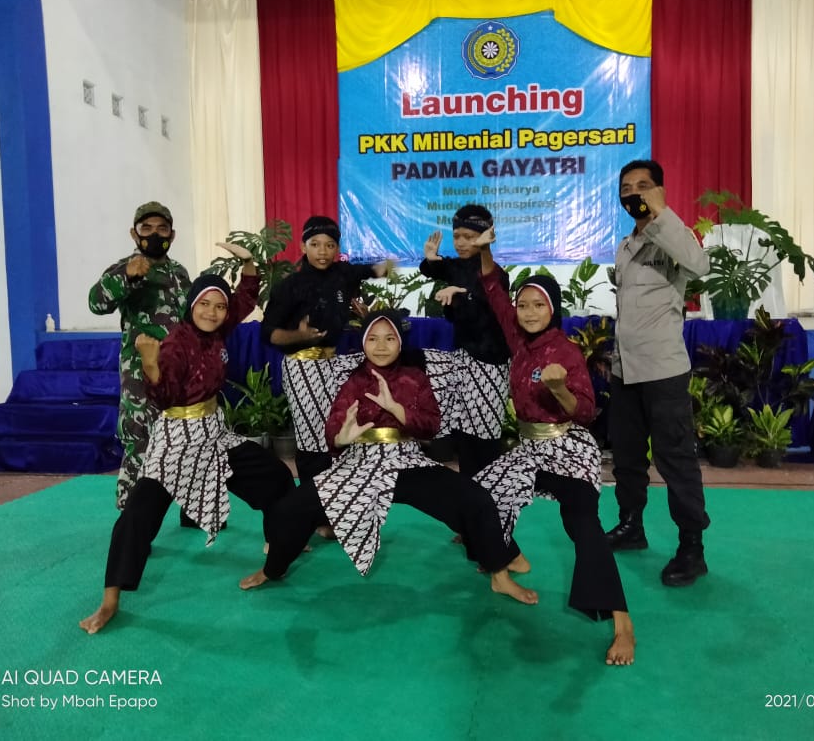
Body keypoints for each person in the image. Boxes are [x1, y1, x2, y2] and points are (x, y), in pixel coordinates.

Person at [238, 310, 536, 607]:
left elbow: (431, 425)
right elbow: (335, 426)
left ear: (400, 342)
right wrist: (342, 438)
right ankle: (272, 569)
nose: (381, 346)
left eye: (389, 338)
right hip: (359, 466)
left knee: (477, 500)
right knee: (291, 508)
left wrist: (398, 410)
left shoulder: (414, 377)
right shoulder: (353, 379)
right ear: (364, 342)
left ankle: (500, 575)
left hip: (408, 463)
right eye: (373, 339)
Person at [79, 247, 295, 634]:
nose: (213, 312)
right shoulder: (177, 343)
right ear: (191, 305)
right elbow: (165, 398)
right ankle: (110, 601)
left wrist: (248, 263)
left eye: (219, 306)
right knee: (137, 515)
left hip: (213, 434)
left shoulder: (219, 329)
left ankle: (276, 555)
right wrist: (150, 364)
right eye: (205, 304)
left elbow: (244, 298)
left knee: (277, 476)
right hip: (176, 441)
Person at [469, 228, 636, 666]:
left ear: (553, 309)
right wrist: (485, 249)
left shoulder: (565, 351)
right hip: (529, 449)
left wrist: (560, 389)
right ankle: (501, 572)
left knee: (582, 524)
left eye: (538, 305)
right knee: (479, 497)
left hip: (567, 449)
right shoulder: (518, 338)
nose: (528, 312)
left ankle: (622, 623)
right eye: (523, 305)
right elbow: (494, 290)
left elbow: (586, 412)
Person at [604, 159, 712, 588]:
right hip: (625, 370)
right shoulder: (625, 246)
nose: (634, 193)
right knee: (627, 456)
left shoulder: (672, 236)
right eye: (627, 187)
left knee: (675, 460)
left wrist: (661, 212)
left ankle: (692, 548)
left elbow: (699, 265)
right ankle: (631, 525)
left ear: (660, 191)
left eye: (643, 186)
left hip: (663, 371)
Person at [260, 216, 388, 502]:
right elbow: (268, 334)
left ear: (336, 249)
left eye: (330, 245)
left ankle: (336, 499)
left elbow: (374, 270)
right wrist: (298, 336)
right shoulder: (289, 286)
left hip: (333, 364)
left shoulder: (342, 274)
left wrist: (387, 268)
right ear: (303, 246)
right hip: (302, 365)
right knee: (312, 438)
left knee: (337, 431)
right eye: (315, 244)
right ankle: (310, 507)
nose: (322, 251)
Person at [88, 201, 191, 510]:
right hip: (140, 372)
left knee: (186, 437)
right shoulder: (125, 268)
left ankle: (193, 508)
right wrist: (127, 276)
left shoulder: (180, 273)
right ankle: (131, 517)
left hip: (178, 371)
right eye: (147, 228)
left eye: (162, 229)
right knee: (140, 440)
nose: (155, 234)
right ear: (135, 234)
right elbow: (96, 303)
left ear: (172, 235)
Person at [418, 204, 512, 478]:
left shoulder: (497, 274)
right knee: (465, 434)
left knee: (485, 436)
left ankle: (491, 493)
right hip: (464, 359)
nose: (460, 242)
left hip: (490, 364)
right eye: (457, 236)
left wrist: (461, 294)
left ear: (485, 237)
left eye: (468, 237)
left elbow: (485, 298)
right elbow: (433, 269)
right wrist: (430, 258)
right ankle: (471, 492)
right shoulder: (458, 266)